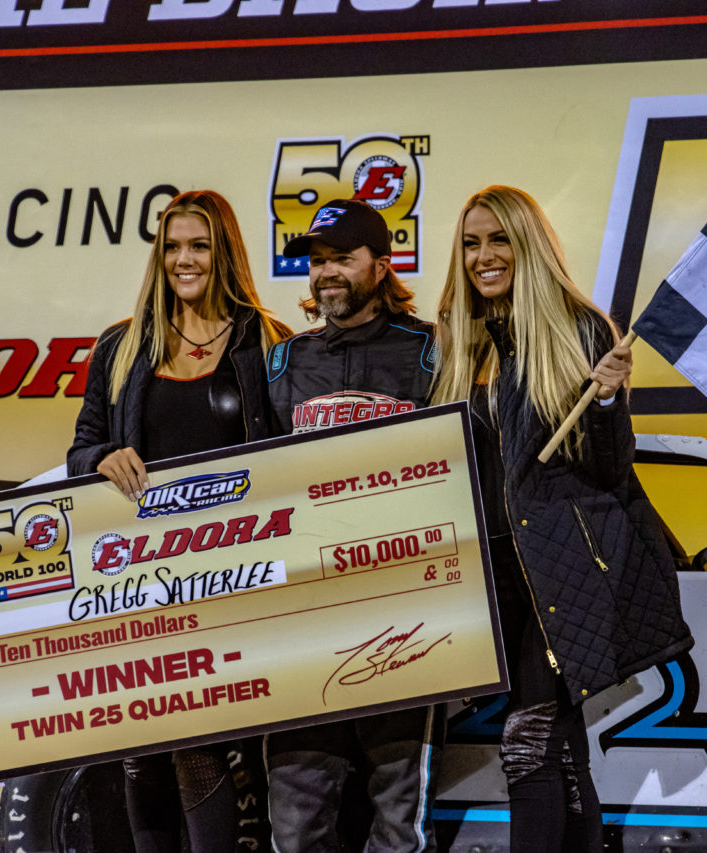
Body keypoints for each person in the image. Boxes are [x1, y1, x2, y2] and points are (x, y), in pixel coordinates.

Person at [429, 185, 694, 852]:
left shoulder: (578, 328)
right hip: (491, 578)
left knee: (527, 742)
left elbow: (610, 469)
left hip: (563, 572)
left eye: (499, 240)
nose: (484, 256)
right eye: (471, 243)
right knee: (562, 750)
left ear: (529, 246)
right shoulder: (455, 338)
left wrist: (605, 402)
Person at [68, 189, 291, 853]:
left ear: (224, 252)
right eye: (171, 247)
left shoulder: (266, 341)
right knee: (144, 745)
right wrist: (101, 459)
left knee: (202, 741)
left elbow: (290, 456)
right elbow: (81, 447)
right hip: (143, 575)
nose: (183, 260)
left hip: (233, 570)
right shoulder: (122, 345)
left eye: (199, 246)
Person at [263, 198, 443, 852]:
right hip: (306, 621)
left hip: (405, 617)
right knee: (296, 821)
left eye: (342, 257)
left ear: (382, 264)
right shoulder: (284, 361)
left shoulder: (432, 350)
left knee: (399, 821)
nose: (326, 273)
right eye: (317, 261)